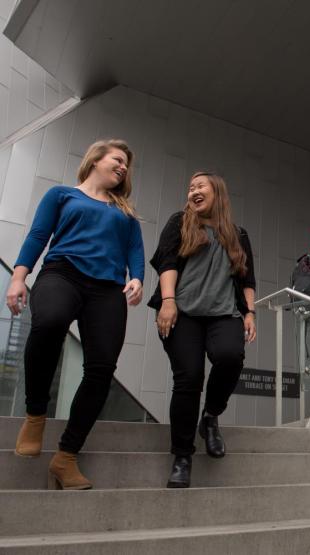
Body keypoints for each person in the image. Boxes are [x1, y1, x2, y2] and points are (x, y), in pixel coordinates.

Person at [5, 139, 144, 490]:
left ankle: (66, 457)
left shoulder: (125, 212)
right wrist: (19, 277)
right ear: (96, 159)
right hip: (62, 274)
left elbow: (135, 250)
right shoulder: (62, 195)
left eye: (127, 163)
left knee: (101, 367)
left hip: (107, 290)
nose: (124, 166)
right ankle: (36, 414)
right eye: (118, 159)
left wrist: (138, 278)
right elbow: (38, 235)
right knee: (49, 323)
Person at [148, 172, 256, 488]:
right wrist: (168, 301)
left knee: (231, 356)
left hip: (224, 313)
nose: (193, 191)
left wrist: (249, 312)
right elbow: (166, 263)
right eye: (190, 188)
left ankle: (210, 416)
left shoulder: (238, 234)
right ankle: (182, 456)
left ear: (217, 192)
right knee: (189, 378)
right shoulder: (179, 223)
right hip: (183, 313)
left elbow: (247, 279)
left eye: (200, 186)